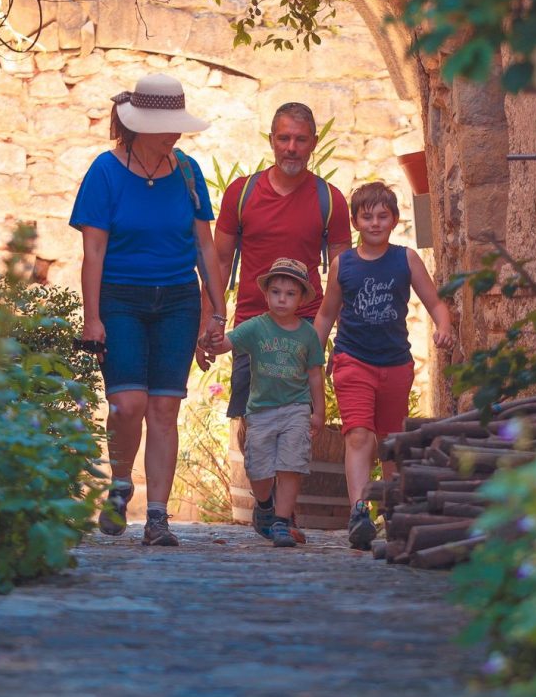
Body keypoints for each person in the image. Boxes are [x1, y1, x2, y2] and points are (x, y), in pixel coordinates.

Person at [70, 71, 227, 547]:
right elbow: (93, 252)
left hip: (177, 300)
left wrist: (216, 314)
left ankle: (157, 517)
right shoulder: (105, 171)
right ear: (139, 126)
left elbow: (206, 248)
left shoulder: (189, 172)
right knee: (128, 403)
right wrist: (92, 316)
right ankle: (120, 486)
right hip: (120, 298)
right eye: (168, 126)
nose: (176, 134)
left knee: (164, 408)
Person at [205, 102, 352, 538]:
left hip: (304, 329)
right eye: (284, 138)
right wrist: (208, 323)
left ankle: (284, 517)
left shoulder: (330, 200)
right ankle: (266, 505)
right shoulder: (241, 193)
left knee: (298, 426)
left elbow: (343, 274)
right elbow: (218, 260)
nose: (292, 147)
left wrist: (318, 335)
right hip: (253, 328)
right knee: (253, 425)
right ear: (271, 140)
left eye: (301, 139)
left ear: (313, 142)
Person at [314, 180, 454, 550]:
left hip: (395, 364)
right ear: (356, 222)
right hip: (352, 360)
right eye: (367, 217)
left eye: (382, 216)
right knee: (359, 434)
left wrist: (444, 326)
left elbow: (436, 303)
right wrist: (311, 354)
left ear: (393, 220)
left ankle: (393, 510)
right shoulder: (345, 264)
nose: (375, 223)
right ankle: (360, 511)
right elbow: (327, 315)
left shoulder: (405, 259)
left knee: (390, 442)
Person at [209, 257, 325, 548]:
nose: (282, 299)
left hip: (296, 408)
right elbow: (228, 343)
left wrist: (318, 411)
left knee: (291, 465)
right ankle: (264, 506)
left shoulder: (308, 334)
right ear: (266, 294)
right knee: (258, 470)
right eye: (276, 292)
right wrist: (211, 341)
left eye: (290, 294)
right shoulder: (256, 327)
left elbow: (314, 374)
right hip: (261, 410)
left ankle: (281, 523)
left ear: (301, 298)